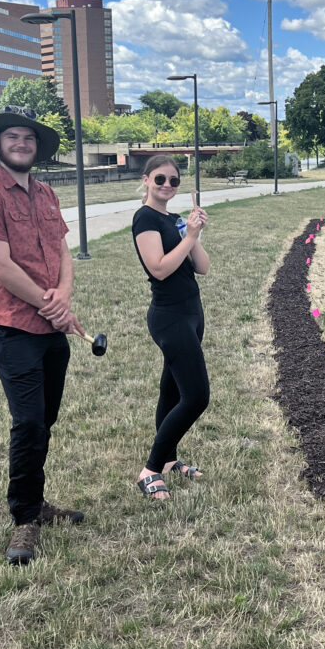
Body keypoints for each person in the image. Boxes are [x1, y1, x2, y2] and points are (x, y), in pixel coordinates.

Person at [0, 105, 86, 565]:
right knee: (29, 421)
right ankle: (24, 518)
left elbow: (61, 251)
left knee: (46, 419)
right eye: (13, 137)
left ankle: (36, 500)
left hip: (52, 325)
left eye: (29, 139)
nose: (21, 144)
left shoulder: (47, 194)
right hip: (14, 327)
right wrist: (48, 302)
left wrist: (63, 299)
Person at [131, 154, 211, 501]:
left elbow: (203, 267)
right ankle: (150, 469)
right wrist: (188, 235)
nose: (167, 185)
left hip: (192, 311)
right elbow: (159, 268)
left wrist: (194, 233)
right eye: (160, 179)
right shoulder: (144, 218)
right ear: (147, 180)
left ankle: (167, 460)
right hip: (169, 316)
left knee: (173, 391)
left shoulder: (177, 220)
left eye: (173, 181)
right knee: (196, 396)